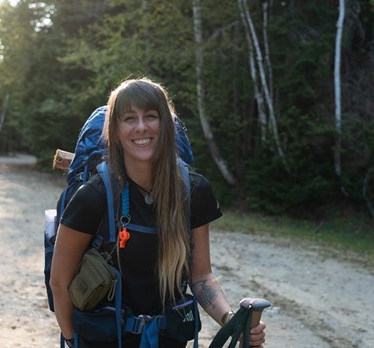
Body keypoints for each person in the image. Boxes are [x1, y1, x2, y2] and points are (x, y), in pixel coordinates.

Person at [50, 77, 267, 347]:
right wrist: (73, 340)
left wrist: (230, 320)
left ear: (166, 125)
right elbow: (59, 281)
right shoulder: (93, 197)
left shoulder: (194, 192)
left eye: (150, 116)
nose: (141, 127)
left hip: (168, 340)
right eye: (130, 118)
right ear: (115, 130)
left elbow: (200, 276)